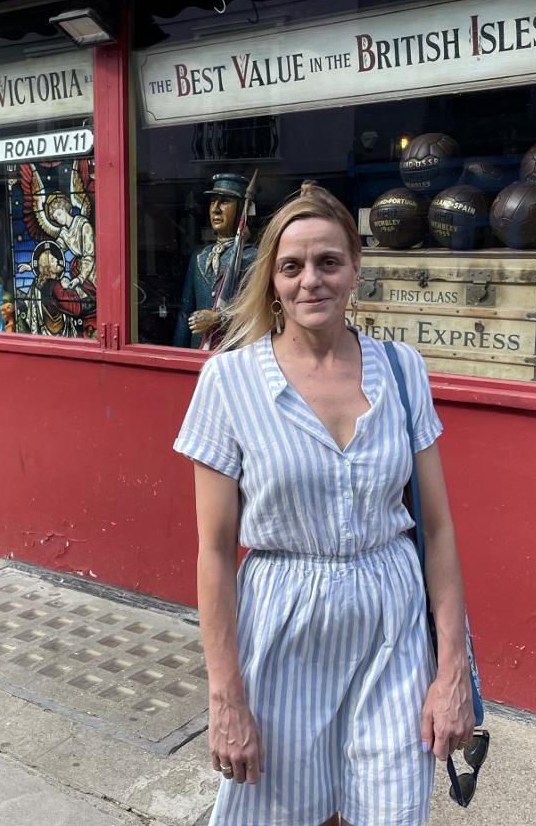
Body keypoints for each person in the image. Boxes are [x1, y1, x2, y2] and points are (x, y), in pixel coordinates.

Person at [174, 181, 475, 825]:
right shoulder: (228, 382)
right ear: (273, 279)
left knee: (389, 811)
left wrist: (452, 673)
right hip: (283, 626)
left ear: (356, 270)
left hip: (391, 621)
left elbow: (440, 530)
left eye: (328, 262)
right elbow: (214, 551)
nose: (311, 280)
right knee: (283, 811)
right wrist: (226, 698)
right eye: (292, 266)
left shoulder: (402, 370)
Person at [173, 173, 257, 349]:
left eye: (225, 201)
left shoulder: (251, 257)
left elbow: (257, 313)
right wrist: (177, 353)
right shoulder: (199, 257)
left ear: (242, 209)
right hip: (198, 355)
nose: (216, 209)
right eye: (213, 202)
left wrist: (218, 318)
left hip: (232, 354)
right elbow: (185, 312)